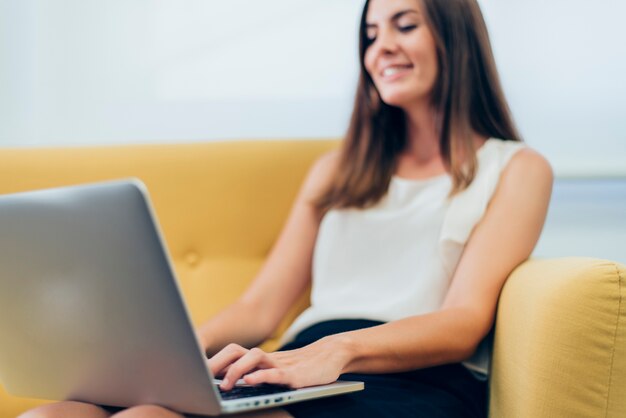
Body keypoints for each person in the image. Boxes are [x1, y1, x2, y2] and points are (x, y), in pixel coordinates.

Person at [21, 0, 553, 417]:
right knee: (59, 413)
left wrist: (335, 352)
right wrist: (173, 354)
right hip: (302, 361)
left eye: (405, 25)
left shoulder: (516, 168)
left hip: (413, 378)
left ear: (456, 36)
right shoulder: (338, 169)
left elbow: (463, 321)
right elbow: (261, 309)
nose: (381, 47)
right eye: (370, 35)